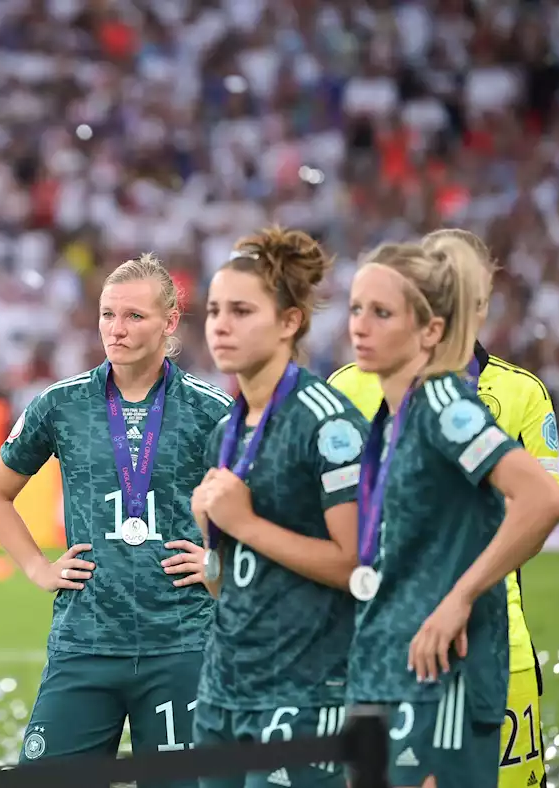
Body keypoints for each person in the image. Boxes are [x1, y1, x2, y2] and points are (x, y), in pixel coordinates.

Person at [0, 253, 231, 784]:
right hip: (85, 641)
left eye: (135, 316)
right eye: (108, 314)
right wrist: (37, 568)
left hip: (182, 644)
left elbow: (264, 506)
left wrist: (219, 564)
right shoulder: (60, 405)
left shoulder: (213, 410)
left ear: (169, 322)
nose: (117, 329)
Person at [327, 229, 559, 788]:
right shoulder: (386, 401)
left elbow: (543, 499)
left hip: (447, 653)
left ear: (428, 321)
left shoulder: (444, 406)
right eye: (357, 308)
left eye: (381, 311)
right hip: (383, 646)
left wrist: (459, 596)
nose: (359, 325)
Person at [188, 228, 369, 788]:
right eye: (215, 309)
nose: (220, 324)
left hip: (306, 693)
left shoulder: (328, 423)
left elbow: (356, 569)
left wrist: (244, 524)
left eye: (242, 310)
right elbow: (229, 583)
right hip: (223, 690)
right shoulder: (225, 429)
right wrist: (211, 538)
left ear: (289, 322)